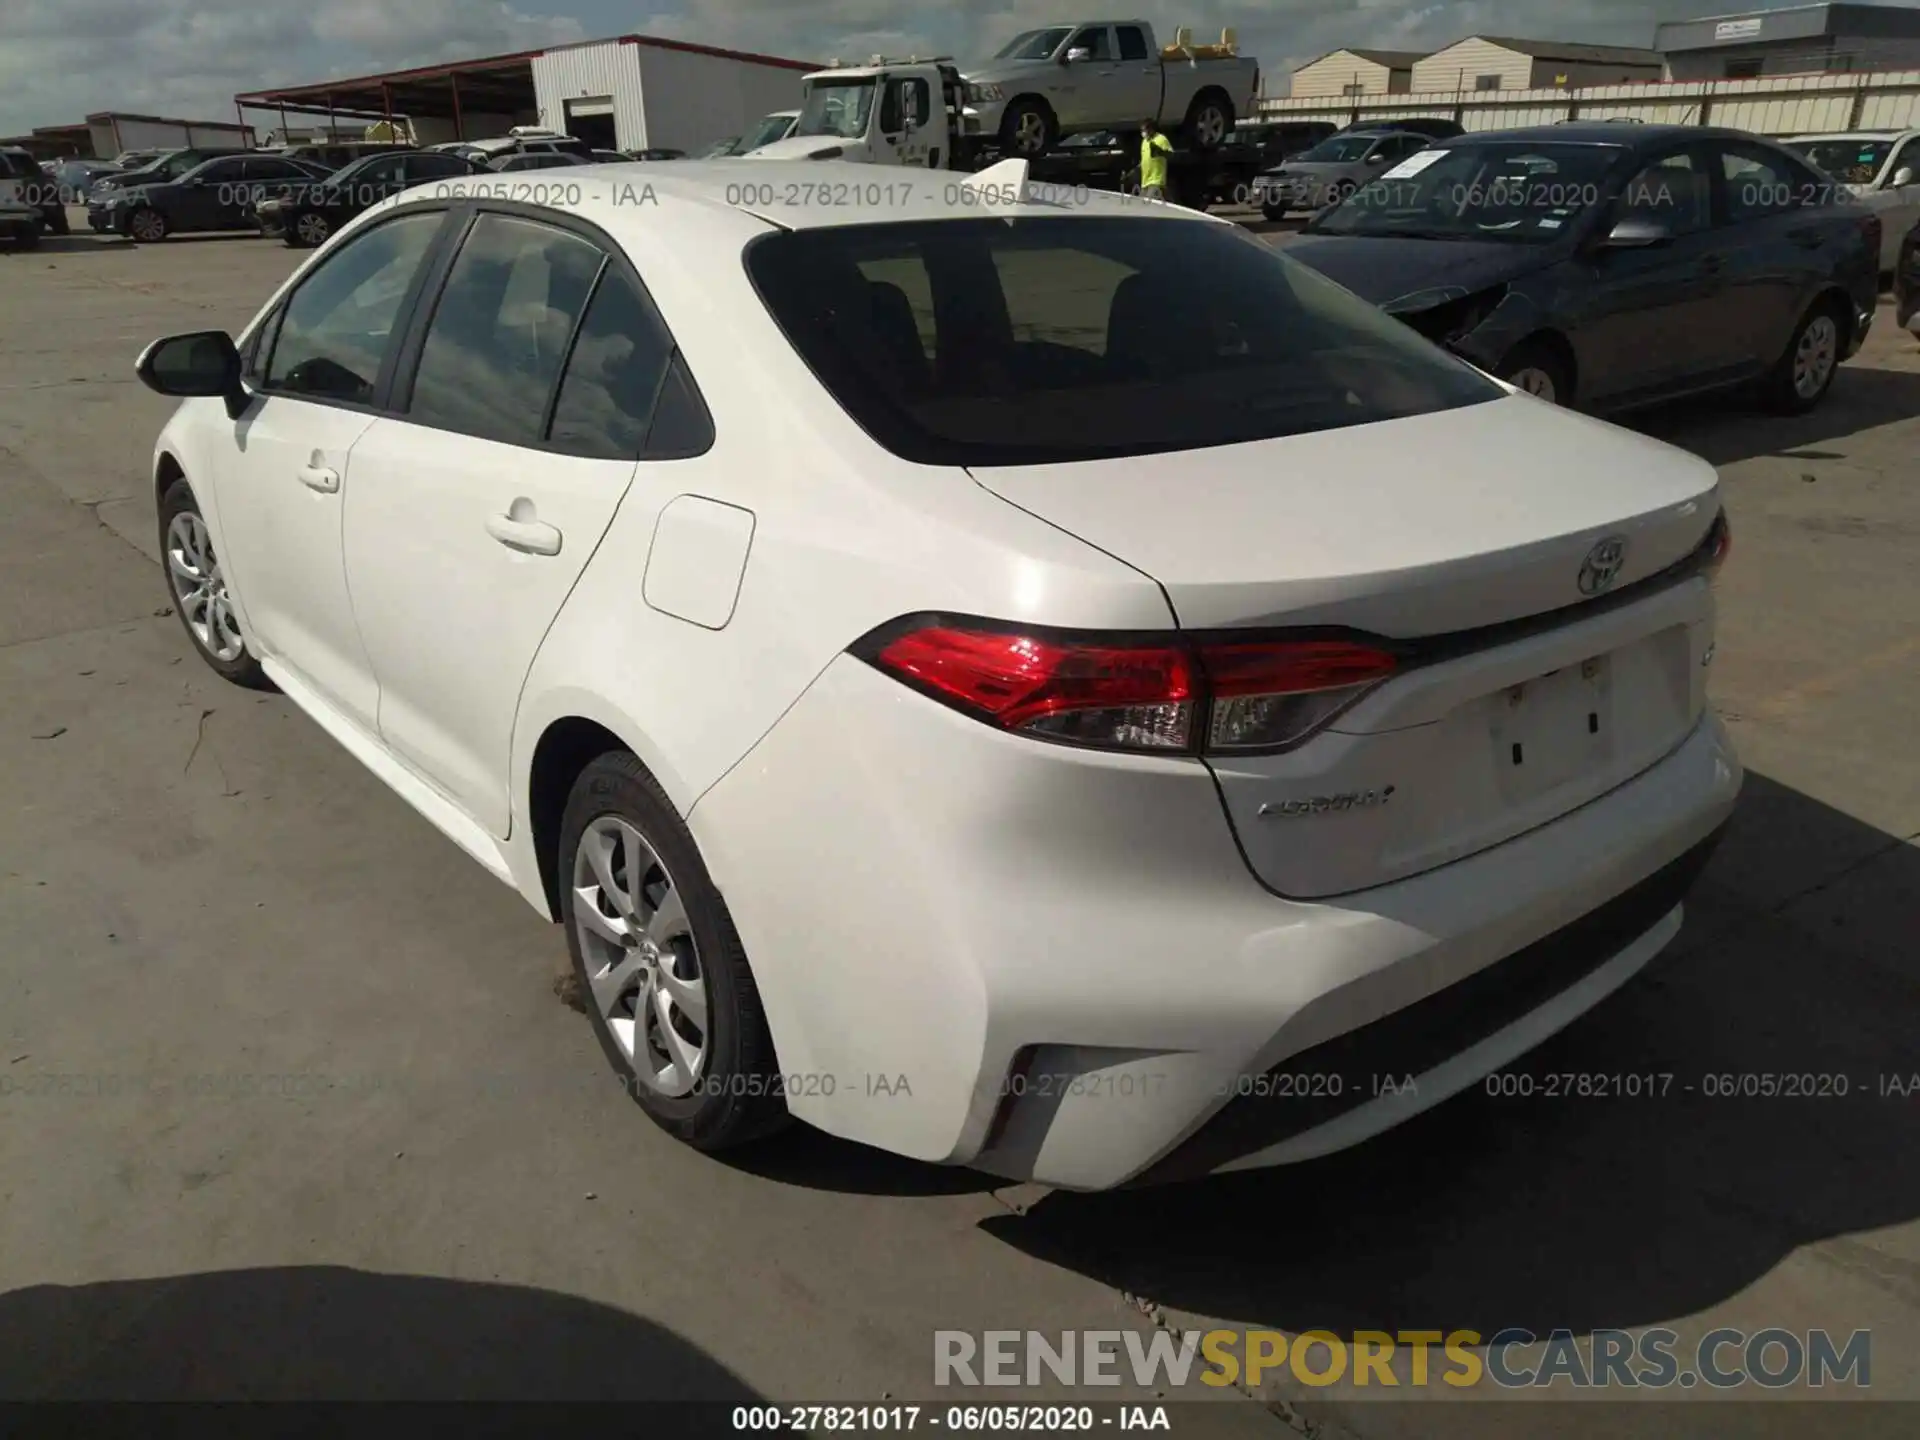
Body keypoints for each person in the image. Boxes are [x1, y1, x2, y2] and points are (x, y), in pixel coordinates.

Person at [1137, 118, 1173, 201]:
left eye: (1145, 130)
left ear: (1151, 129)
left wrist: (1160, 152)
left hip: (1156, 180)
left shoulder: (1161, 139)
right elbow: (1144, 160)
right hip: (1145, 182)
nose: (1143, 133)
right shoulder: (1144, 142)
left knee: (1148, 205)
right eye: (1142, 130)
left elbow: (1171, 155)